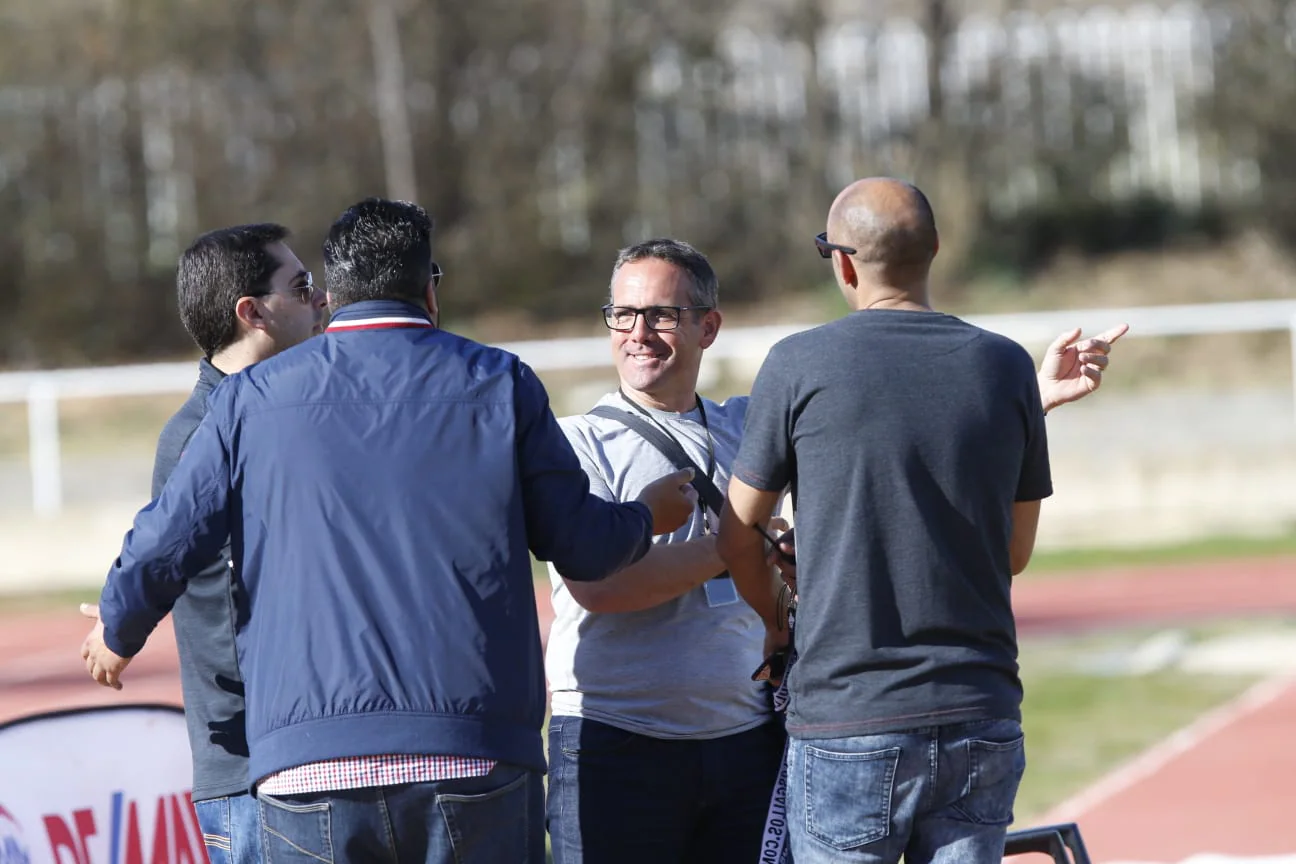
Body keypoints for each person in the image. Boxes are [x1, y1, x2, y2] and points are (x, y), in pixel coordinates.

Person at [81, 197, 698, 864]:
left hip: (307, 763)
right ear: (429, 289)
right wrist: (646, 516)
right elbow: (582, 544)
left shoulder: (249, 400)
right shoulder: (500, 381)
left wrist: (119, 627)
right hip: (473, 753)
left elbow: (167, 538)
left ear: (334, 291)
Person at [545, 236, 1126, 863]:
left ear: (708, 327)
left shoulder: (747, 421)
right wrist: (744, 544)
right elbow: (600, 586)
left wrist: (1027, 401)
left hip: (746, 739)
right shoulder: (578, 443)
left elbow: (893, 437)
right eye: (623, 314)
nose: (638, 332)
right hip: (617, 739)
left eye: (662, 314)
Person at [717, 177, 1096, 864]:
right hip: (979, 707)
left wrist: (776, 617)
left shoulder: (798, 364)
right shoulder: (1006, 366)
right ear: (937, 251)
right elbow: (1012, 552)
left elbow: (736, 530)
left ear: (842, 261)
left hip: (848, 711)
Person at [80, 223, 326, 863]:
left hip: (301, 755)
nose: (322, 297)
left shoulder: (288, 412)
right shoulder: (201, 432)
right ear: (253, 313)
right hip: (253, 773)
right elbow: (188, 580)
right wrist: (119, 622)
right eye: (300, 286)